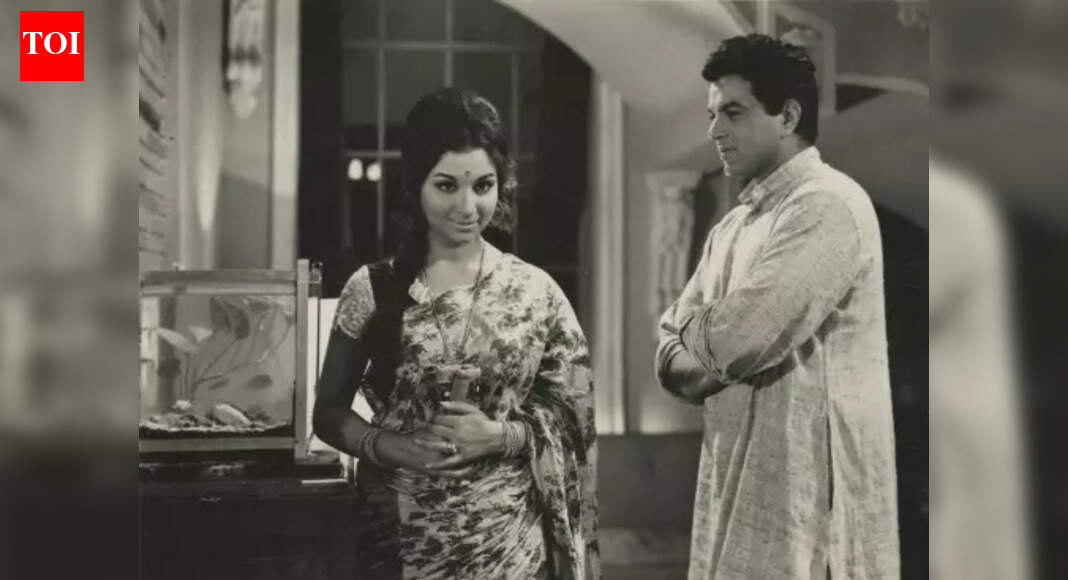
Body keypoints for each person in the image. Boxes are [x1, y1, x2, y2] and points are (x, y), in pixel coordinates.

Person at [313, 88, 598, 579]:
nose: (468, 206)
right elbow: (329, 413)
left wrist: (501, 436)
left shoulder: (537, 293)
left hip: (511, 544)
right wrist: (395, 446)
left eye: (483, 186)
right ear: (416, 185)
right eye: (447, 186)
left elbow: (574, 416)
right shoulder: (374, 288)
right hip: (398, 536)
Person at [655, 34, 899, 579]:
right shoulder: (732, 227)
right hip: (737, 498)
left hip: (812, 516)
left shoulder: (828, 206)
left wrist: (705, 342)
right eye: (712, 114)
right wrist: (710, 344)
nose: (714, 131)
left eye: (733, 112)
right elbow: (669, 354)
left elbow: (736, 342)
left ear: (787, 116)